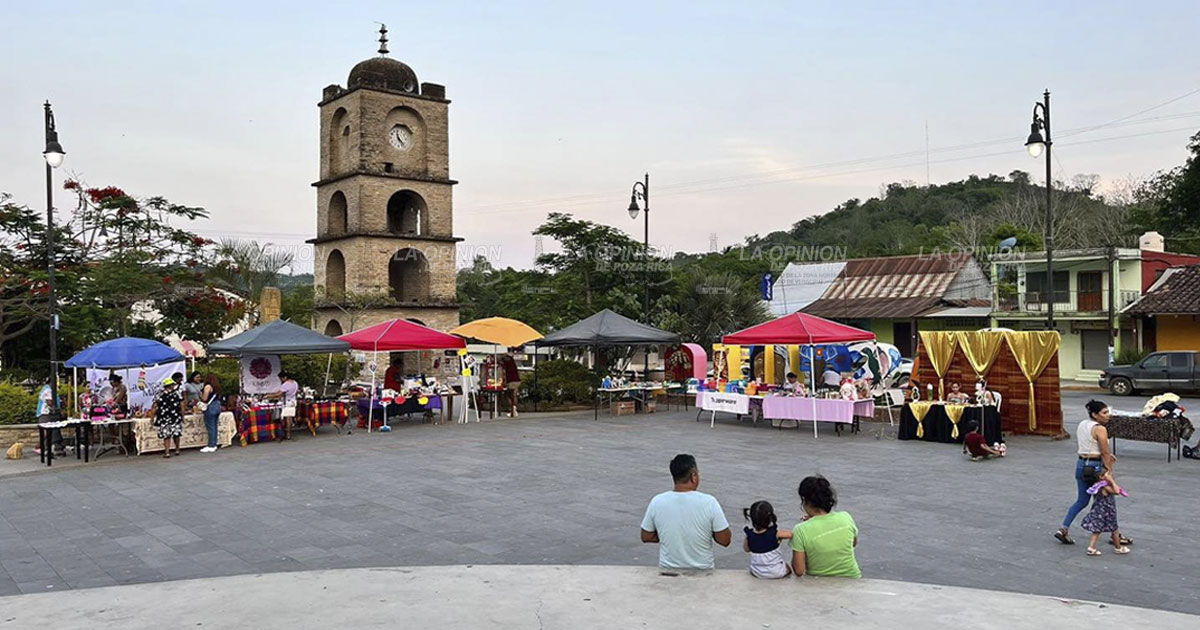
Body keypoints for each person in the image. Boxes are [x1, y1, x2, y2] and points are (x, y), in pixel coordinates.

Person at [640, 454, 732, 570]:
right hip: (702, 571)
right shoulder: (709, 502)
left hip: (668, 571)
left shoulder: (657, 501)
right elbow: (725, 540)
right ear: (693, 476)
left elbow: (646, 536)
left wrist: (667, 534)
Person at [1055, 400, 1124, 546]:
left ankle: (1063, 528)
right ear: (1095, 415)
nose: (1108, 415)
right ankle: (1115, 536)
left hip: (1081, 464)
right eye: (1104, 413)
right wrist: (1108, 470)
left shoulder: (1082, 424)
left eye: (1107, 412)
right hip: (1095, 467)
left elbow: (1088, 444)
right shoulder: (1100, 429)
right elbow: (1104, 450)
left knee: (1082, 500)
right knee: (1107, 501)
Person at [791, 475, 860, 578]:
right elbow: (853, 543)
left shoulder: (800, 530)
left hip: (819, 583)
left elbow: (799, 570)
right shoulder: (846, 517)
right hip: (852, 578)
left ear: (804, 500)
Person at [1081, 468, 1130, 556]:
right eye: (1108, 475)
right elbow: (1117, 491)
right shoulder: (1104, 487)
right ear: (1101, 477)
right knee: (1114, 530)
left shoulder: (1097, 485)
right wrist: (1112, 481)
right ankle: (1118, 548)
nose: (1111, 476)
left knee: (1097, 530)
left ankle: (1091, 548)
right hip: (1107, 511)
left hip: (1098, 510)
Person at [742, 500, 792, 579]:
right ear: (770, 518)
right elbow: (791, 535)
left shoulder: (749, 535)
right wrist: (779, 540)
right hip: (777, 572)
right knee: (788, 567)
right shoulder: (775, 533)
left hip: (756, 572)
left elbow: (746, 549)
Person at [150, 377, 184, 458]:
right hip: (175, 416)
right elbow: (182, 405)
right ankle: (177, 449)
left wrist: (152, 417)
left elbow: (155, 406)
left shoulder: (160, 394)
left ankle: (167, 452)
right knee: (176, 434)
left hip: (164, 417)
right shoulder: (177, 393)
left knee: (166, 435)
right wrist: (182, 416)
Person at [199, 374, 223, 454]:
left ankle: (211, 445)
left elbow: (204, 398)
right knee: (215, 426)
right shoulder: (216, 387)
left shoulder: (207, 386)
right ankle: (214, 443)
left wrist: (200, 395)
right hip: (217, 406)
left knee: (210, 426)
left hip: (210, 407)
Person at [275, 371, 299, 440]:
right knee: (290, 418)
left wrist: (268, 396)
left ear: (285, 377)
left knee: (287, 419)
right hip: (293, 401)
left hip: (287, 402)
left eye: (281, 378)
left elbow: (278, 394)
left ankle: (288, 434)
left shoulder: (286, 384)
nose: (281, 380)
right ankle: (289, 433)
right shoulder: (295, 383)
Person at [502, 350, 521, 417]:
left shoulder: (507, 362)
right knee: (514, 396)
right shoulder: (512, 362)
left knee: (510, 396)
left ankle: (513, 410)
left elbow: (504, 372)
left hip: (511, 381)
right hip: (517, 380)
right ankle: (514, 409)